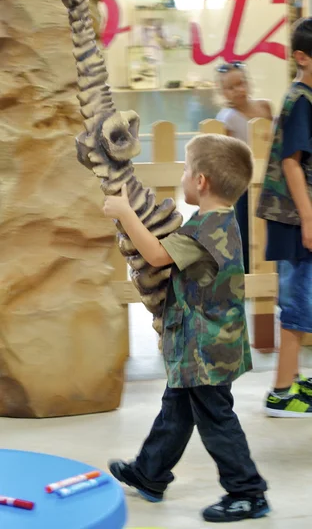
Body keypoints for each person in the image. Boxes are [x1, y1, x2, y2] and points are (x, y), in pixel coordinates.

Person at [103, 133, 269, 523]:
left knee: (215, 420)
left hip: (205, 350)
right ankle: (150, 472)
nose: (182, 173)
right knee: (175, 410)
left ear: (201, 182)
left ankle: (247, 491)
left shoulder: (205, 230)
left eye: (186, 167)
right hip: (207, 346)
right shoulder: (219, 220)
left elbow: (158, 256)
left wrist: (125, 213)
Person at [257, 17, 312, 417]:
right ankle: (280, 392)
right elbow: (292, 164)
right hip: (295, 219)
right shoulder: (299, 101)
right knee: (296, 303)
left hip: (300, 216)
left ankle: (293, 380)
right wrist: (309, 219)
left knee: (303, 300)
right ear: (302, 58)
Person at [216, 62, 273, 273]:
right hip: (244, 184)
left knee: (270, 223)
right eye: (231, 87)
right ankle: (248, 269)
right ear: (222, 91)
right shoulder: (226, 118)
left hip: (269, 176)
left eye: (241, 83)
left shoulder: (264, 107)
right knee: (247, 226)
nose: (238, 90)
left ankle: (271, 265)